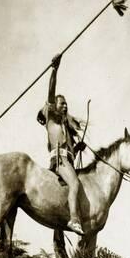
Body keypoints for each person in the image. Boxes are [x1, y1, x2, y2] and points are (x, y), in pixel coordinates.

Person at [36, 53, 86, 235]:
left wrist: (78, 148)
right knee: (75, 185)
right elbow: (51, 92)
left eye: (66, 104)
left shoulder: (64, 124)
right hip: (60, 160)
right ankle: (74, 220)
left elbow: (68, 146)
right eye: (62, 104)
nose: (65, 106)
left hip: (68, 160)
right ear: (54, 106)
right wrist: (54, 70)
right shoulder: (52, 119)